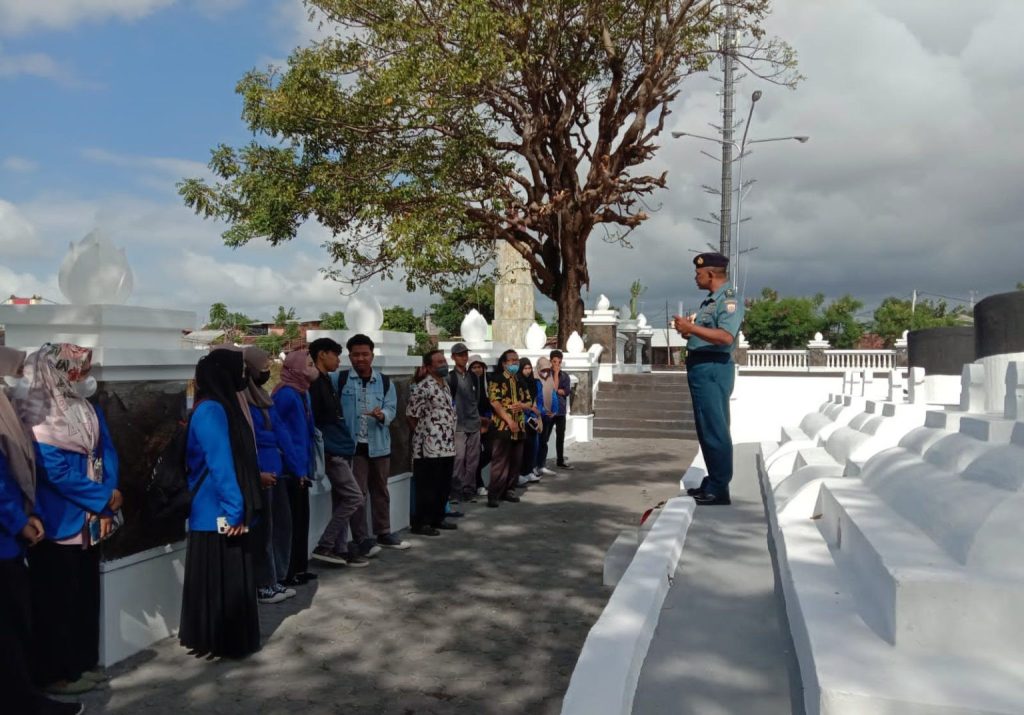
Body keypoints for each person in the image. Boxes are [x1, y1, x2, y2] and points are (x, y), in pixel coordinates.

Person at [15, 344, 122, 696]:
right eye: (80, 370)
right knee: (55, 601)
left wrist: (108, 498)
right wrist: (101, 499)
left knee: (84, 597)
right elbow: (53, 472)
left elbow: (106, 451)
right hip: (57, 520)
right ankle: (56, 674)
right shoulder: (36, 413)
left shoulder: (86, 408)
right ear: (60, 373)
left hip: (90, 519)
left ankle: (81, 663)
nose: (85, 377)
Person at [1, 347, 85, 714]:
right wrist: (19, 520)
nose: (22, 377)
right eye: (17, 368)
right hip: (8, 538)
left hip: (14, 532)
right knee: (11, 626)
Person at [179, 349, 262, 658]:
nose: (244, 376)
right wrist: (234, 510)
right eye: (239, 370)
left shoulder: (222, 405)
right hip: (216, 510)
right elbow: (220, 464)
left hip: (221, 506)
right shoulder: (212, 410)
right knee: (223, 579)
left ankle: (223, 641)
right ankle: (221, 642)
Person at [673, 251, 745, 506]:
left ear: (711, 274)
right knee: (706, 427)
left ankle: (719, 487)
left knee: (715, 428)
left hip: (713, 368)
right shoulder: (711, 301)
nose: (696, 277)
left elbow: (725, 337)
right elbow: (710, 333)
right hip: (703, 368)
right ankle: (714, 480)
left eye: (699, 273)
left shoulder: (728, 300)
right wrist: (690, 333)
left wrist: (692, 328)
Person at [337, 334, 408, 552]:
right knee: (358, 494)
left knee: (380, 491)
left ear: (372, 355)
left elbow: (392, 409)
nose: (360, 359)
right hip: (353, 447)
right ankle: (361, 538)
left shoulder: (385, 382)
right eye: (356, 355)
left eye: (365, 354)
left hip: (379, 445)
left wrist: (381, 415)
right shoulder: (339, 380)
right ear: (349, 356)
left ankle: (384, 532)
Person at [243, 347, 299, 604]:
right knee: (262, 532)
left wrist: (296, 466)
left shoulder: (263, 396)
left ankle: (276, 577)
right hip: (260, 471)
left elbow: (280, 432)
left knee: (280, 527)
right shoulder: (241, 400)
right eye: (263, 367)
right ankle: (263, 584)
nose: (267, 371)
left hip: (276, 469)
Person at [307, 337, 369, 567]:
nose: (338, 360)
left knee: (343, 499)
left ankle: (340, 548)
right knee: (354, 497)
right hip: (332, 451)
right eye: (335, 355)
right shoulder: (315, 384)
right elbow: (318, 422)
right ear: (322, 354)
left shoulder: (327, 381)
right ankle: (325, 544)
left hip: (342, 447)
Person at [271, 349, 320, 585]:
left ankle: (300, 567)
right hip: (290, 469)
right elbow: (281, 434)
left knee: (302, 520)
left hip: (302, 466)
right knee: (290, 523)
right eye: (308, 364)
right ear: (297, 369)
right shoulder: (285, 394)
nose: (312, 368)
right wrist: (296, 468)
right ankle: (288, 572)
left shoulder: (303, 392)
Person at [406, 350, 457, 535]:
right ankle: (422, 523)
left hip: (447, 445)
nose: (444, 364)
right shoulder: (423, 387)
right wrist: (425, 434)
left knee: (443, 485)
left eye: (444, 360)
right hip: (428, 447)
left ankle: (438, 518)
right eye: (439, 362)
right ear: (428, 367)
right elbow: (411, 415)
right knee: (427, 486)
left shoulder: (445, 385)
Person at [486, 349, 529, 508]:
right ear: (504, 363)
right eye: (511, 360)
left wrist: (522, 405)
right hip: (502, 426)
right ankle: (494, 494)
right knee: (500, 462)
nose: (515, 363)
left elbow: (529, 401)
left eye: (516, 360)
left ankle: (509, 490)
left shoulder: (520, 380)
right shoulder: (496, 380)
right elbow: (494, 402)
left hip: (520, 426)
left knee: (516, 461)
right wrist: (509, 421)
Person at [448, 342, 482, 502]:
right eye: (460, 355)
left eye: (465, 354)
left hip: (474, 423)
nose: (464, 357)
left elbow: (477, 399)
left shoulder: (473, 377)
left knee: (473, 460)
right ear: (453, 357)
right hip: (458, 425)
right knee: (459, 459)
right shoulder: (450, 377)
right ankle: (455, 491)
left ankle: (469, 489)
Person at [544, 349, 573, 470]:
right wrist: (555, 374)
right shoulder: (546, 375)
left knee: (560, 437)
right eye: (554, 362)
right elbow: (554, 389)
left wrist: (560, 390)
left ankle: (560, 460)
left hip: (560, 410)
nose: (557, 364)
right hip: (550, 411)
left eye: (559, 362)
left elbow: (567, 391)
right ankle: (541, 462)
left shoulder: (565, 376)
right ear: (550, 361)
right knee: (545, 437)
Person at [516, 357, 541, 486]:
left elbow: (535, 399)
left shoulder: (533, 382)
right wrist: (530, 408)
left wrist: (535, 410)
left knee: (533, 446)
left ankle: (528, 470)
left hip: (532, 417)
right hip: (522, 417)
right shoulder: (518, 381)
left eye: (529, 368)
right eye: (525, 368)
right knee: (523, 447)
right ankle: (521, 473)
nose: (528, 371)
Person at [469, 355, 492, 498]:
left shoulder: (488, 381)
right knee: (475, 454)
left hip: (488, 423)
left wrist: (487, 420)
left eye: (479, 367)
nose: (477, 370)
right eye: (474, 367)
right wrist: (478, 421)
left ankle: (472, 476)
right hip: (472, 423)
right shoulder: (467, 383)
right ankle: (479, 484)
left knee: (489, 451)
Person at [533, 356, 558, 478]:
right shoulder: (534, 380)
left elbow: (554, 395)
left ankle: (541, 465)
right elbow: (535, 399)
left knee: (544, 442)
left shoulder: (550, 379)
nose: (546, 372)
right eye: (543, 370)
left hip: (548, 417)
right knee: (536, 443)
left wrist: (554, 411)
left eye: (548, 370)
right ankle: (533, 466)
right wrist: (541, 411)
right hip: (537, 416)